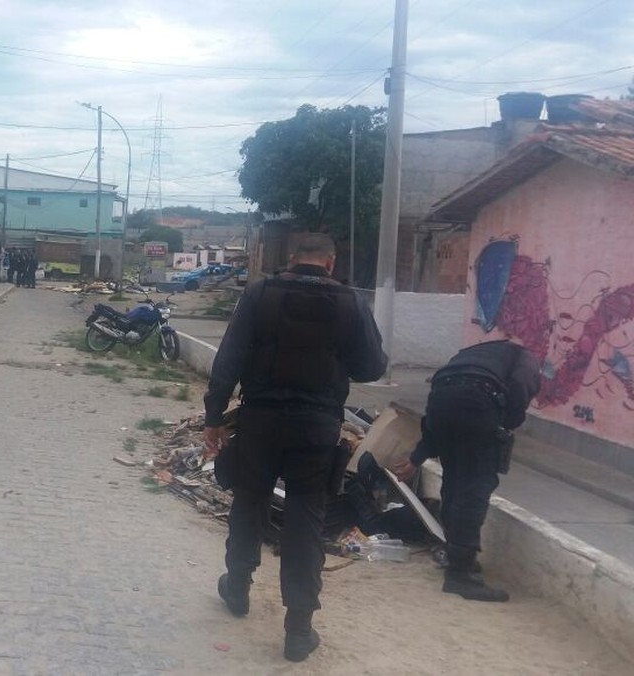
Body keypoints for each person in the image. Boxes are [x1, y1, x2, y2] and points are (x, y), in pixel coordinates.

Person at [201, 233, 387, 663]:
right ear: (331, 262)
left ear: (291, 259)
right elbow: (371, 368)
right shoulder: (350, 302)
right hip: (317, 428)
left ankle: (238, 587)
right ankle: (299, 629)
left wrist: (214, 417)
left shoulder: (260, 293)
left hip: (260, 421)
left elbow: (228, 359)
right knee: (306, 519)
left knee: (248, 503)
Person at [393, 339, 540, 602]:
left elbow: (438, 416)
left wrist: (417, 457)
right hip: (478, 403)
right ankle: (460, 576)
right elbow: (520, 389)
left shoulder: (472, 353)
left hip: (441, 397)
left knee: (454, 481)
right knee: (475, 485)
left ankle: (458, 558)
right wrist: (503, 422)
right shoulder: (526, 356)